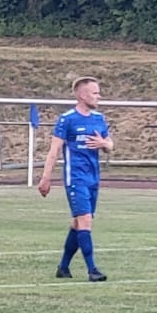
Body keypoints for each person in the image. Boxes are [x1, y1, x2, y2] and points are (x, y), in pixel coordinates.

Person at [36, 76, 114, 281]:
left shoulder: (98, 118)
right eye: (95, 93)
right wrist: (46, 178)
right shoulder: (67, 119)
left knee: (78, 223)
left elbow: (109, 144)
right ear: (82, 95)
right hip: (75, 178)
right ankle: (92, 270)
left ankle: (63, 267)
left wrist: (104, 144)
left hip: (93, 178)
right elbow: (54, 150)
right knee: (85, 220)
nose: (99, 97)